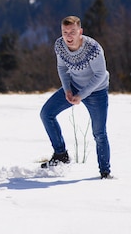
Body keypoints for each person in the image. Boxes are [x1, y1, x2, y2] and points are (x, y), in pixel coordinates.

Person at [39, 15, 111, 179]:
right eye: (65, 32)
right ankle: (61, 154)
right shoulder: (60, 45)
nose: (68, 36)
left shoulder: (93, 48)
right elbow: (62, 68)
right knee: (46, 114)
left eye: (72, 32)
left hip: (96, 91)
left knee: (99, 133)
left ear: (80, 32)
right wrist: (67, 90)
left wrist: (81, 95)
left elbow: (100, 74)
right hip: (74, 86)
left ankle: (105, 172)